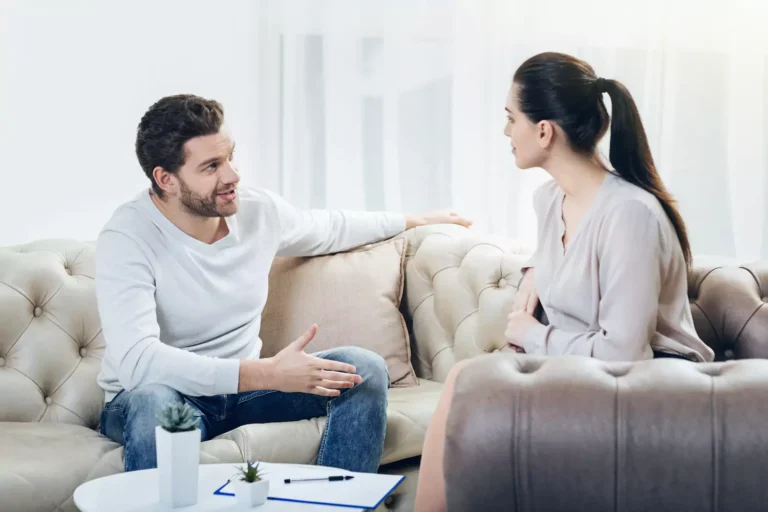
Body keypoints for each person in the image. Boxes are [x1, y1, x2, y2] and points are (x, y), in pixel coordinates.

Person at [95, 94, 472, 473]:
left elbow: (329, 228)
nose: (232, 176)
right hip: (165, 395)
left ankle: (338, 497)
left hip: (243, 394)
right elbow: (138, 361)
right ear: (166, 179)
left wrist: (414, 220)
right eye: (211, 166)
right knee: (154, 404)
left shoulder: (258, 212)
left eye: (230, 157)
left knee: (363, 370)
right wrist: (266, 373)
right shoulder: (127, 236)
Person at [413, 52, 714, 512]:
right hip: (584, 372)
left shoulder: (629, 215)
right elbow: (569, 254)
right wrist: (536, 269)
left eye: (511, 118)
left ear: (544, 131)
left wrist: (533, 334)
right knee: (465, 382)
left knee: (466, 383)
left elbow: (625, 354)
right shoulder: (550, 200)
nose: (506, 132)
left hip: (652, 385)